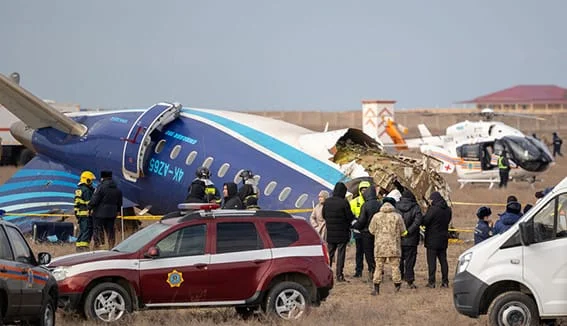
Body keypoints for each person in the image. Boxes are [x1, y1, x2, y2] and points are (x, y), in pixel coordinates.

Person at [368, 200, 407, 295]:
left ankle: (376, 288)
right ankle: (397, 286)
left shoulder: (376, 216)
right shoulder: (397, 216)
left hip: (380, 246)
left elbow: (371, 230)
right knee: (395, 267)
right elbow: (403, 231)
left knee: (379, 267)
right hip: (394, 246)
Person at [323, 182, 355, 282]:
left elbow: (324, 215)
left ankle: (326, 274)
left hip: (331, 233)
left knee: (330, 254)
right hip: (342, 233)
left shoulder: (327, 202)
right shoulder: (344, 202)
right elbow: (349, 217)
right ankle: (339, 275)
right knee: (341, 254)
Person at [422, 191, 452, 288]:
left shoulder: (433, 209)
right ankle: (445, 281)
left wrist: (428, 209)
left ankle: (432, 282)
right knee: (443, 261)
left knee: (432, 262)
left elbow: (425, 221)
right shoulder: (448, 209)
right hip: (443, 239)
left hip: (432, 239)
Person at [353, 186, 381, 283]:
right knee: (377, 253)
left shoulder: (365, 205)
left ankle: (372, 271)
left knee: (368, 253)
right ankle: (379, 271)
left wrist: (355, 226)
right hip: (378, 233)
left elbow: (361, 220)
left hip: (366, 233)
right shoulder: (379, 204)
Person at [88, 171, 123, 249]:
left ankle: (98, 245)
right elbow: (120, 203)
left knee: (98, 229)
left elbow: (95, 200)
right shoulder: (117, 189)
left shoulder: (100, 187)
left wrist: (89, 207)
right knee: (110, 231)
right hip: (112, 214)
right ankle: (111, 246)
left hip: (99, 214)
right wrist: (117, 211)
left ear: (102, 178)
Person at [396, 189, 423, 289]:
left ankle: (398, 278)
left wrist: (400, 231)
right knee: (410, 261)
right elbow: (418, 221)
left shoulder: (396, 206)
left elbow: (394, 220)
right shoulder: (416, 207)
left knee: (399, 259)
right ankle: (410, 280)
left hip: (398, 238)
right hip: (411, 239)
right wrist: (408, 231)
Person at [349, 180, 371, 277]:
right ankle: (358, 271)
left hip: (369, 230)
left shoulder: (372, 202)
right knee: (359, 252)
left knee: (370, 251)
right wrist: (354, 223)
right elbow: (350, 215)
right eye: (362, 190)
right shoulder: (354, 202)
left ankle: (371, 269)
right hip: (358, 230)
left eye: (366, 190)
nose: (364, 192)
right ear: (359, 190)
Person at [74, 171, 96, 252]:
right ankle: (84, 249)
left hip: (80, 214)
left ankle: (78, 247)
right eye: (91, 180)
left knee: (82, 231)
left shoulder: (79, 189)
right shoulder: (86, 190)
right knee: (87, 231)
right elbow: (89, 203)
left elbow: (76, 204)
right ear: (87, 180)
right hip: (86, 215)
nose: (91, 183)